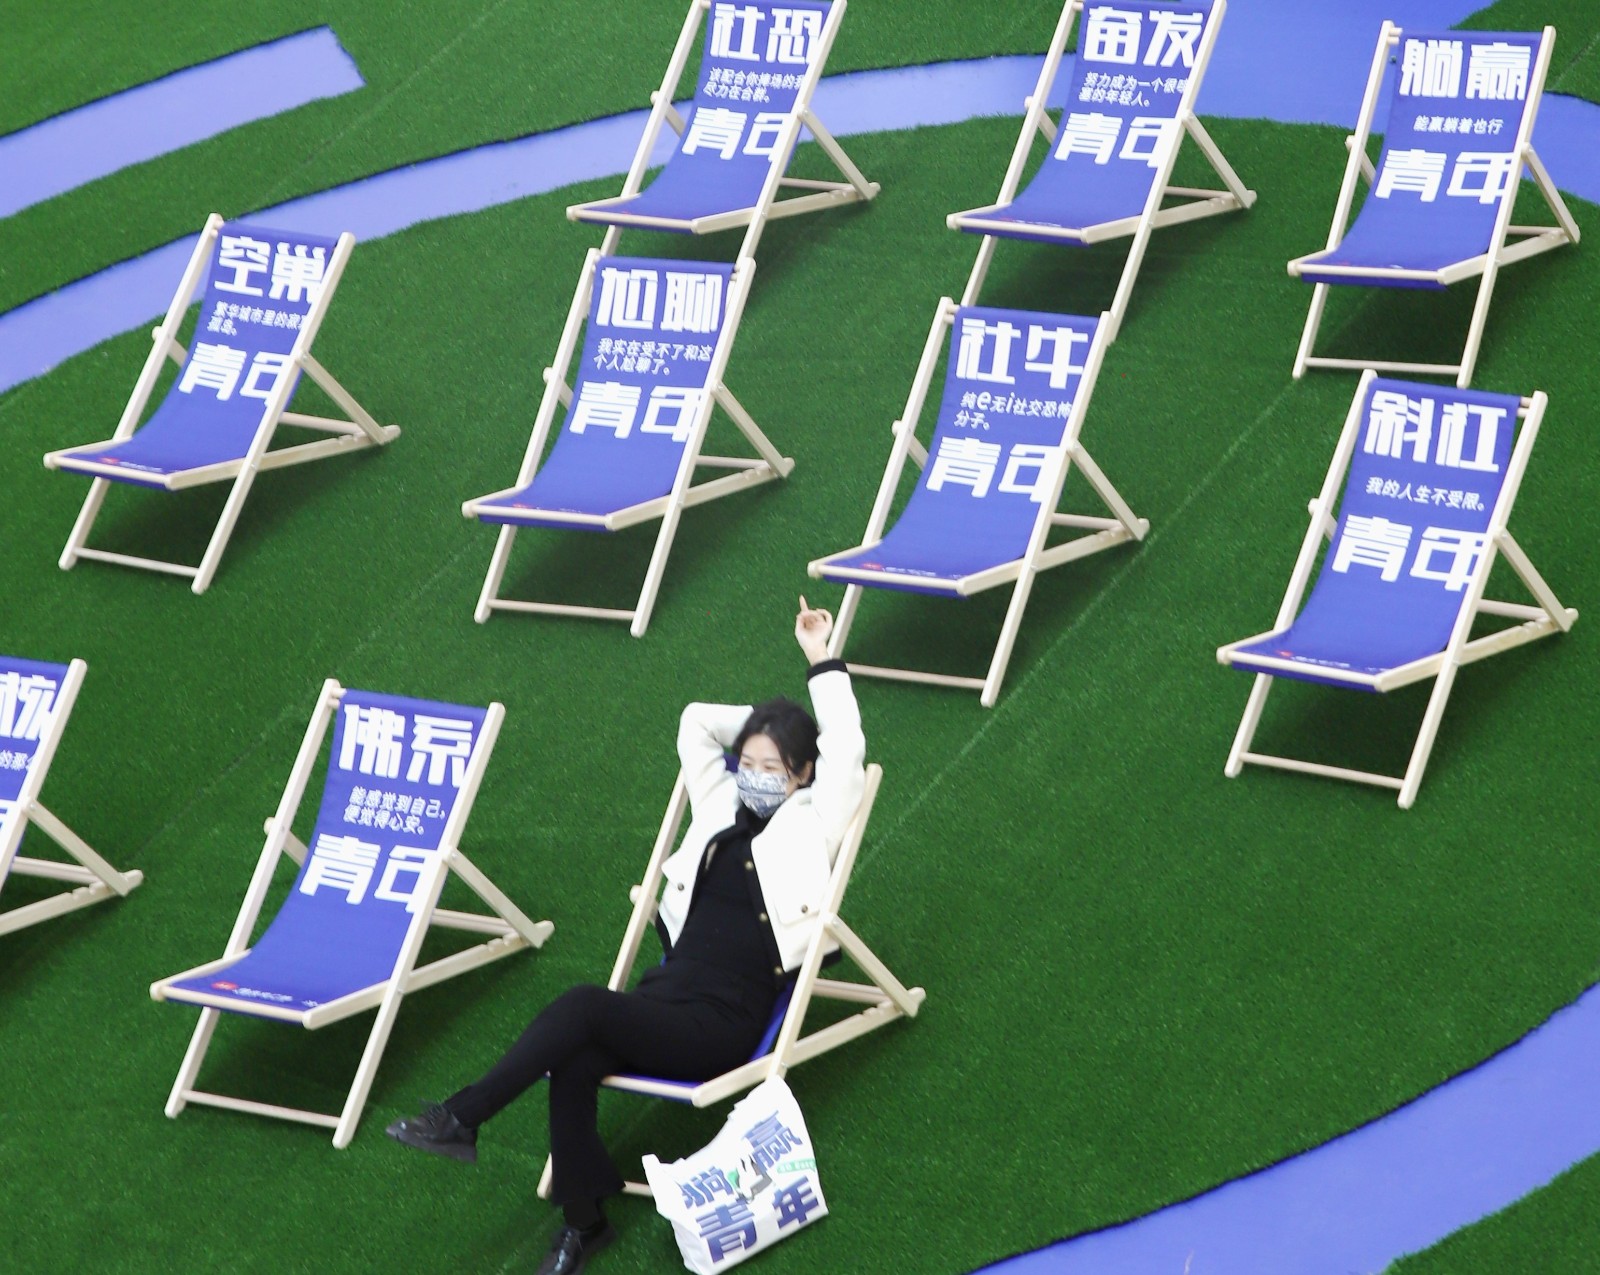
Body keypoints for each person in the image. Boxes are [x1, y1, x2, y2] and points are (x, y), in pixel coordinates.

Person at [386, 597, 865, 1275]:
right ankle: (584, 1224)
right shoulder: (720, 806)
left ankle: (465, 1114)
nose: (757, 777)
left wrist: (819, 662)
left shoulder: (814, 822)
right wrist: (765, 724)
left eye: (775, 768)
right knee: (576, 1059)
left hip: (722, 1022)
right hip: (663, 999)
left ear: (803, 773)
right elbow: (697, 722)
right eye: (750, 762)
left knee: (584, 1005)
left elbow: (845, 747)